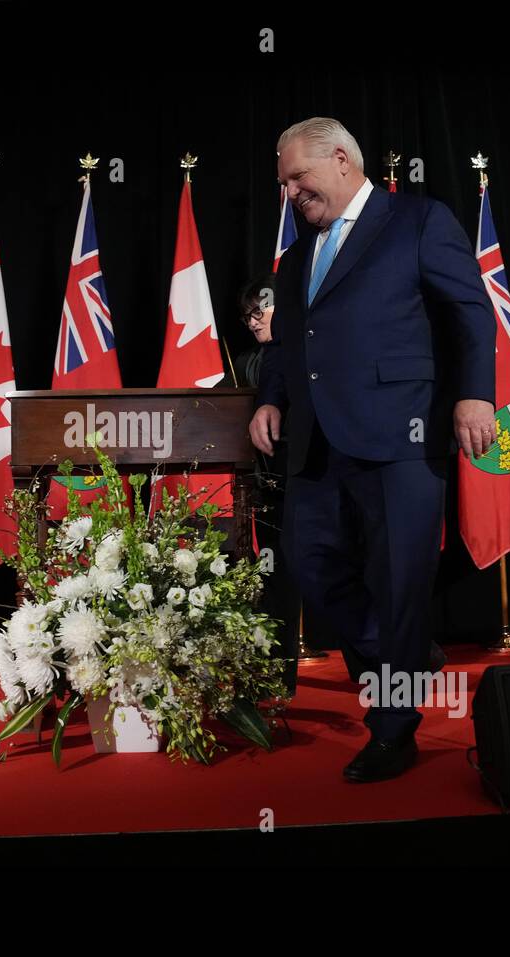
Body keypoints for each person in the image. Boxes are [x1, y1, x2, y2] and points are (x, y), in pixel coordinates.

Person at [250, 118, 496, 782]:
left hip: (403, 435)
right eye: (283, 183)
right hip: (316, 442)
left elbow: (470, 312)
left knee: (399, 586)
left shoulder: (418, 220)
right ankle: (406, 661)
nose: (290, 192)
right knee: (308, 561)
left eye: (297, 178)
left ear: (339, 160)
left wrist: (475, 394)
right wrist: (271, 395)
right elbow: (289, 339)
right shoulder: (298, 254)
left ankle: (393, 732)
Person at [233, 274, 301, 697]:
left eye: (261, 310)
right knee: (277, 581)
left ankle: (412, 657)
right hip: (269, 490)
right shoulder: (245, 364)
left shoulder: (313, 350)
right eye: (248, 316)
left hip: (317, 483)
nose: (255, 321)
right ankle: (278, 682)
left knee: (338, 574)